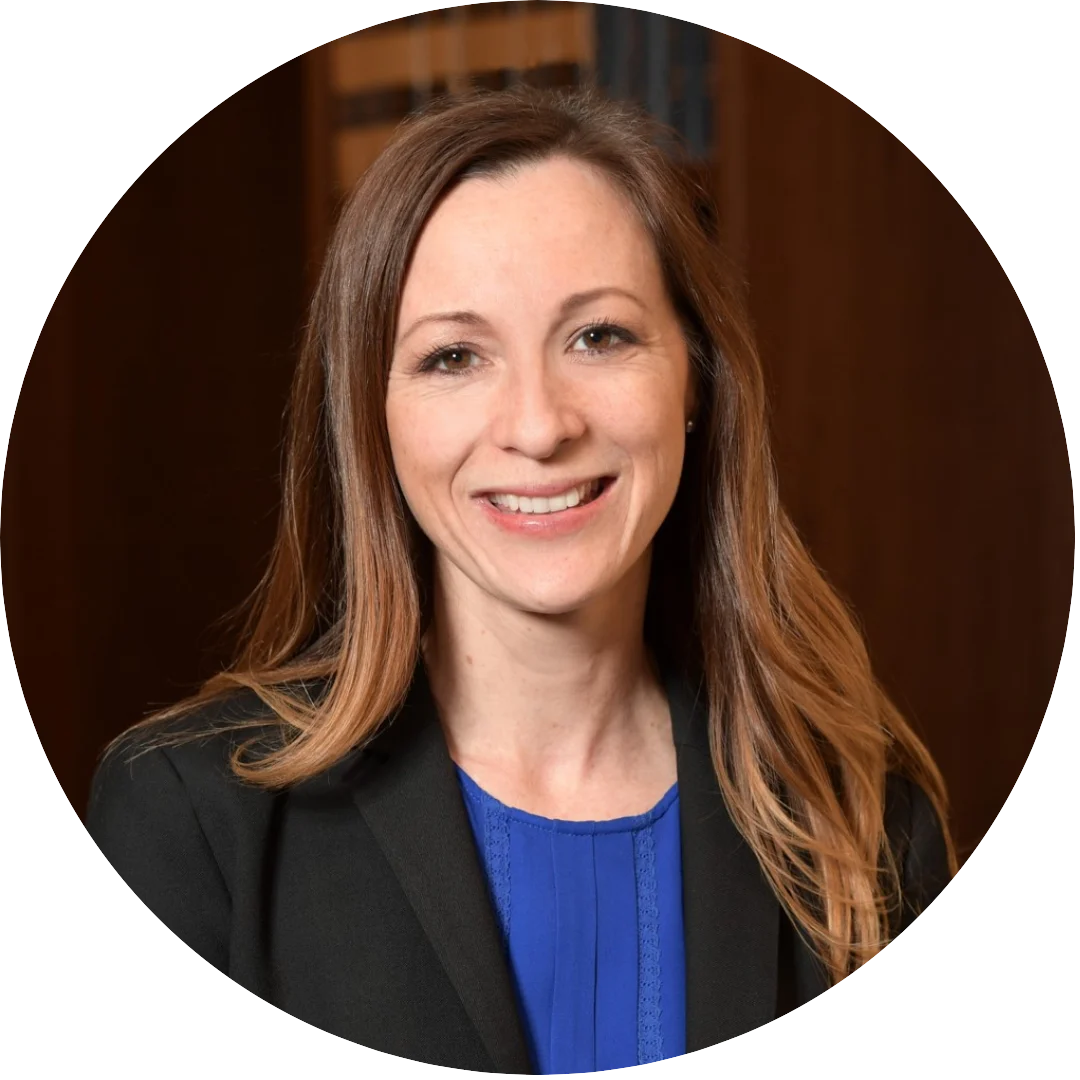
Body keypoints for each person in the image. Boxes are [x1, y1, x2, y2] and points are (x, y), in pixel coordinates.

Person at [84, 83, 957, 1075]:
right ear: (370, 418)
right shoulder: (192, 822)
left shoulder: (860, 818)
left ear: (697, 380)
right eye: (454, 356)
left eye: (599, 336)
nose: (539, 427)